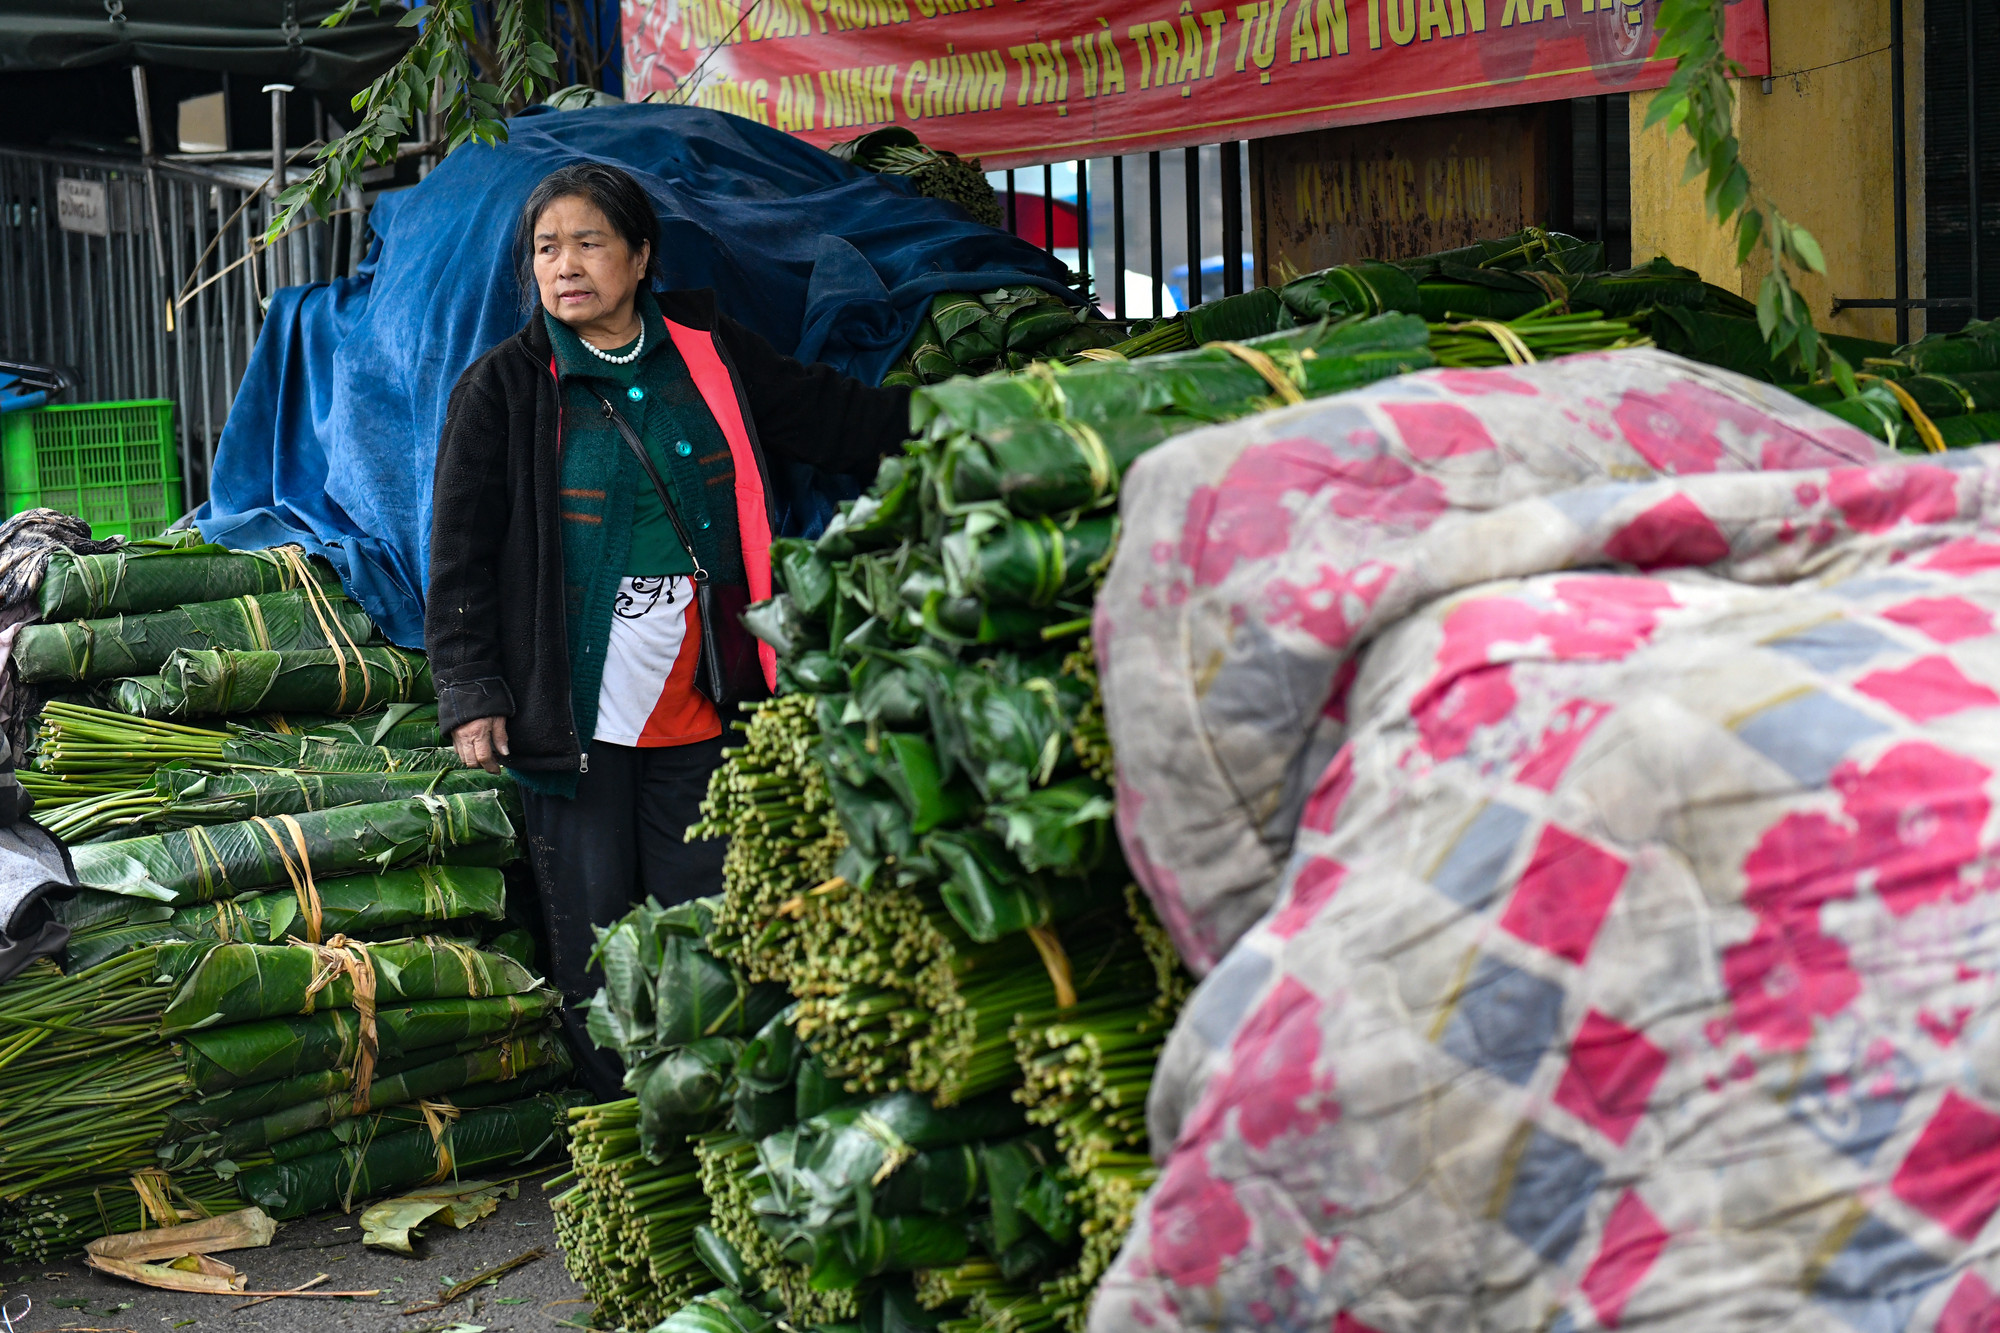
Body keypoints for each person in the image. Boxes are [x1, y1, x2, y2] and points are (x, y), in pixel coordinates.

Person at [426, 161, 910, 1096]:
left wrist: (969, 416)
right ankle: (623, 1114)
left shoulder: (709, 350)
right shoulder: (505, 388)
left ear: (641, 256)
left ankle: (702, 1102)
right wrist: (471, 691)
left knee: (701, 913)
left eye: (589, 242)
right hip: (574, 707)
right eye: (545, 248)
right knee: (600, 928)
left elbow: (832, 415)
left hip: (705, 686)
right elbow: (460, 554)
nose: (564, 266)